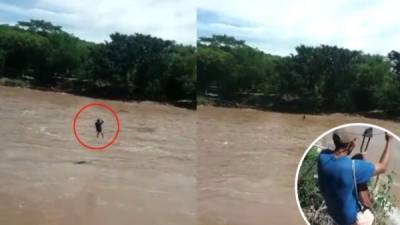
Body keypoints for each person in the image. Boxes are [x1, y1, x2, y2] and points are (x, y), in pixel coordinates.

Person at [318, 128, 391, 225]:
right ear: (349, 145)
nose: (355, 143)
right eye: (354, 141)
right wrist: (389, 141)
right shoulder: (353, 167)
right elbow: (383, 167)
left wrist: (356, 158)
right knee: (369, 215)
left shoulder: (322, 156)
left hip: (334, 214)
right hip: (351, 221)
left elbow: (339, 162)